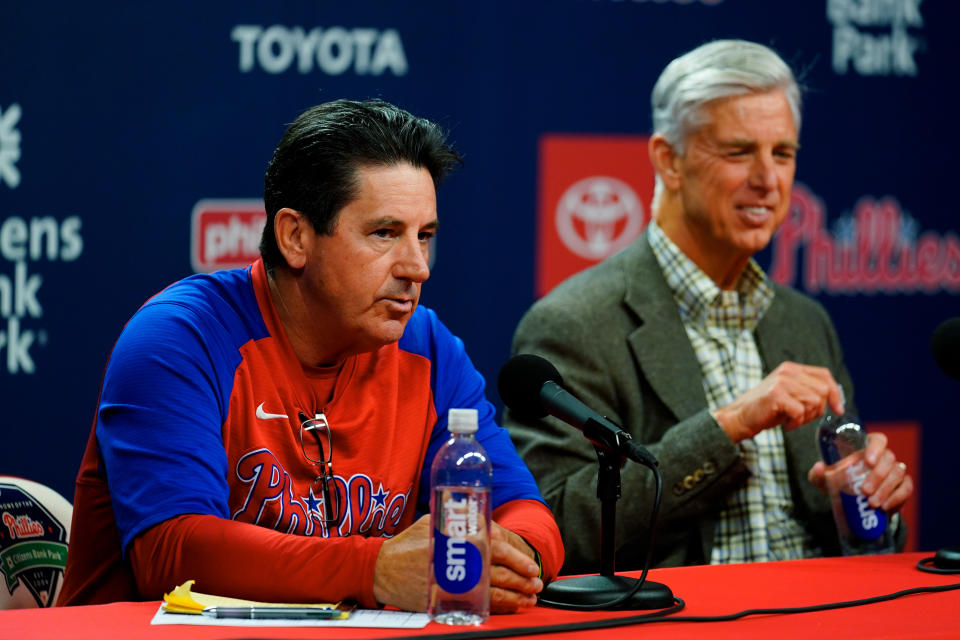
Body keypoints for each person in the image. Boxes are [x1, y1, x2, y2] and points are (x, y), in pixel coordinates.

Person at [60, 99, 563, 611]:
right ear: (295, 237)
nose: (417, 267)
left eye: (425, 236)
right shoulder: (179, 338)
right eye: (385, 233)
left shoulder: (427, 347)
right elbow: (170, 552)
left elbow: (525, 510)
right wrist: (374, 570)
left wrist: (513, 556)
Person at [503, 40, 913, 575]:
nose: (769, 180)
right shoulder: (576, 323)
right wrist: (728, 425)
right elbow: (557, 530)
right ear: (668, 161)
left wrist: (866, 500)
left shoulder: (804, 322)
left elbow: (857, 535)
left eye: (783, 153)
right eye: (739, 152)